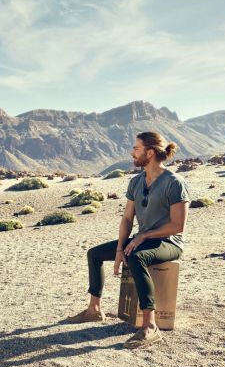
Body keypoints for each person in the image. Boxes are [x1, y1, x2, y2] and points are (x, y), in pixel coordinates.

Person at [65, 131, 190, 349]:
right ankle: (94, 310)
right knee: (94, 254)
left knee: (137, 258)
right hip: (141, 239)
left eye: (136, 148)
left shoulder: (174, 183)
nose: (132, 153)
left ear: (150, 153)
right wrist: (119, 249)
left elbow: (177, 226)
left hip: (169, 242)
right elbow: (127, 218)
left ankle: (150, 327)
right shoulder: (136, 181)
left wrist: (143, 235)